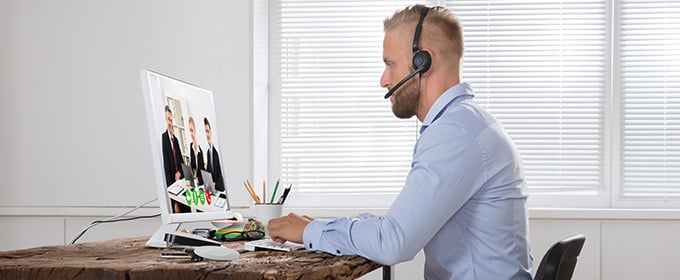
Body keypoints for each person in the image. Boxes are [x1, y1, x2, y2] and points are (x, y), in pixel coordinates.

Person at [267, 5, 533, 279]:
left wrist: (308, 232)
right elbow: (398, 224)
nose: (384, 80)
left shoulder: (455, 134)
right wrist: (324, 226)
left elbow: (393, 242)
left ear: (422, 63)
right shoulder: (466, 124)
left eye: (389, 64)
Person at [161, 105, 184, 187]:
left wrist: (180, 173)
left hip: (180, 181)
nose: (170, 123)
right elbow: (166, 166)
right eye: (168, 119)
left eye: (171, 120)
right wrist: (171, 187)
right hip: (171, 184)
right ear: (164, 120)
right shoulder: (163, 138)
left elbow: (182, 163)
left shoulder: (176, 140)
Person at [204, 117, 225, 192]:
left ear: (211, 132)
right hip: (213, 191)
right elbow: (209, 174)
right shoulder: (208, 152)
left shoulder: (217, 154)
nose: (207, 134)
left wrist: (214, 184)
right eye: (206, 132)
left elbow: (222, 184)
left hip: (220, 191)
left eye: (208, 131)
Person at [188, 117, 205, 186]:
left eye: (192, 130)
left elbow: (203, 173)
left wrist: (198, 180)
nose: (191, 133)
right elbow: (193, 168)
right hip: (194, 183)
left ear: (195, 130)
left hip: (201, 184)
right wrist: (193, 177)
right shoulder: (191, 146)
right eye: (190, 131)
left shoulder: (200, 151)